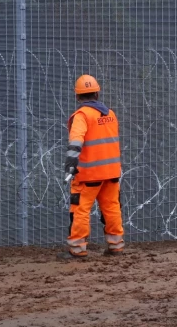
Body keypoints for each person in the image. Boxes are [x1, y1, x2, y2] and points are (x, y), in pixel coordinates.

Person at [63, 75, 125, 258]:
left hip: (89, 174)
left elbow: (76, 140)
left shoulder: (82, 116)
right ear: (97, 93)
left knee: (80, 210)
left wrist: (70, 164)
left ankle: (77, 249)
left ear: (77, 96)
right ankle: (116, 246)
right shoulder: (110, 114)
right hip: (112, 172)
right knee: (112, 208)